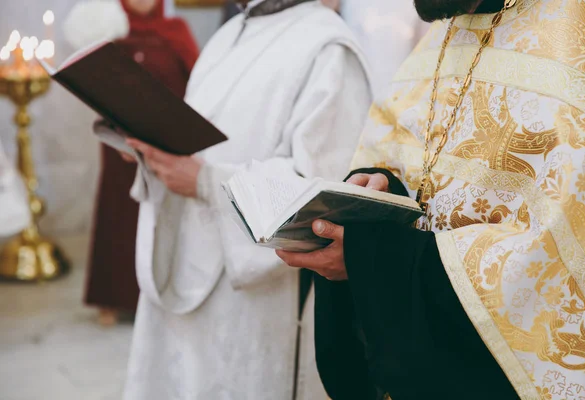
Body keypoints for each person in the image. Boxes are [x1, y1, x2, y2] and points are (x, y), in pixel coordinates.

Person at [276, 0, 585, 398]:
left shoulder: (584, 33)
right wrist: (377, 192)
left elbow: (558, 265)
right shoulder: (447, 29)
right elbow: (411, 164)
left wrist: (372, 257)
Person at [119, 0, 372, 399]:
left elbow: (322, 198)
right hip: (189, 263)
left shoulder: (328, 48)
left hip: (256, 302)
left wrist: (206, 181)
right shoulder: (229, 34)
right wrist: (154, 149)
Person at [83, 0, 199, 326]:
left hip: (166, 143)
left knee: (164, 215)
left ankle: (163, 292)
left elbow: (199, 81)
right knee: (118, 217)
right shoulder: (109, 30)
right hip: (122, 143)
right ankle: (111, 297)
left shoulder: (175, 31)